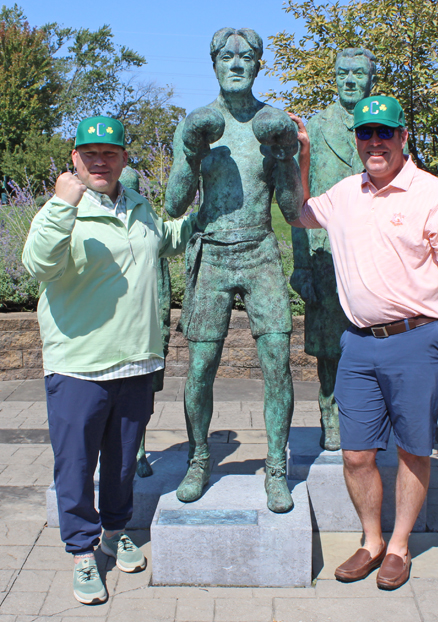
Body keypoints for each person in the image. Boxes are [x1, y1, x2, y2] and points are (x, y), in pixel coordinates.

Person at [290, 96, 438, 589]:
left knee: (414, 450)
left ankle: (399, 548)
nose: (375, 142)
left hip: (418, 337)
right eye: (365, 133)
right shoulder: (346, 193)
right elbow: (299, 214)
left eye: (384, 133)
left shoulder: (432, 193)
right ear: (357, 140)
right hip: (358, 343)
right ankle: (371, 541)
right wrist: (302, 158)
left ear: (403, 139)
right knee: (356, 454)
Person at [22, 116, 195, 605]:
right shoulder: (62, 210)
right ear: (75, 158)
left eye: (110, 152)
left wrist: (209, 212)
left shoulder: (138, 207)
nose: (101, 160)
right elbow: (37, 265)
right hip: (79, 365)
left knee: (121, 465)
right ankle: (81, 551)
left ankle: (116, 528)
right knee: (76, 465)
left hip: (135, 363)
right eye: (90, 153)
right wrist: (61, 205)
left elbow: (168, 238)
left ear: (123, 158)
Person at [164, 27, 303, 513]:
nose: (237, 64)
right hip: (213, 254)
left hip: (260, 250)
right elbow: (175, 202)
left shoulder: (273, 121)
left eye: (247, 57)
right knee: (200, 367)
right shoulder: (199, 122)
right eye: (227, 57)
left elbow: (291, 210)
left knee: (277, 365)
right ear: (215, 64)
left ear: (259, 65)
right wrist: (190, 153)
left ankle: (277, 467)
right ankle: (199, 458)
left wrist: (287, 157)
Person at [290, 48, 376, 451]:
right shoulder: (317, 127)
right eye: (343, 73)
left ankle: (368, 416)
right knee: (330, 348)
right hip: (327, 254)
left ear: (371, 79)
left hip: (374, 252)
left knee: (374, 338)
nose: (349, 80)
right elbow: (297, 200)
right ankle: (331, 416)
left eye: (358, 73)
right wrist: (301, 266)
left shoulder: (382, 127)